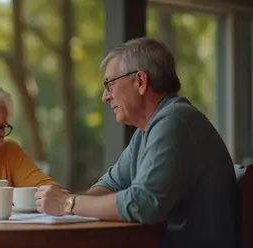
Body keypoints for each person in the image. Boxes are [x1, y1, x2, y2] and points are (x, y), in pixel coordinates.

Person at [34, 37, 240, 248]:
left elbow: (144, 204)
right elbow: (111, 186)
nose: (105, 97)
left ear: (140, 82)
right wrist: (68, 200)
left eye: (110, 84)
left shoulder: (174, 121)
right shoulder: (146, 132)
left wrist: (69, 204)